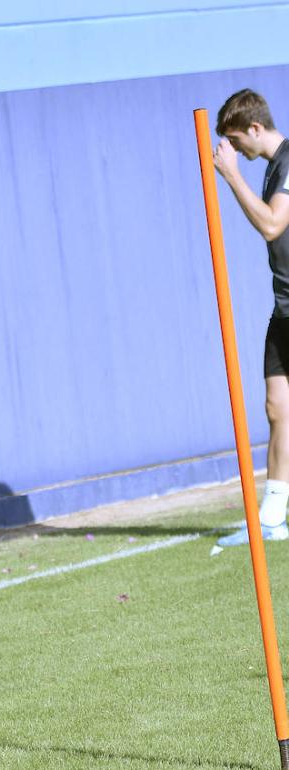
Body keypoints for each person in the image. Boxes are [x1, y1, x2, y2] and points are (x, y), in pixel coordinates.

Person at [213, 89, 289, 549]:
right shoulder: (271, 170)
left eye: (237, 140)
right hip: (283, 308)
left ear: (256, 128)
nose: (236, 149)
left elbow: (271, 225)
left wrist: (231, 175)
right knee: (277, 408)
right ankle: (273, 516)